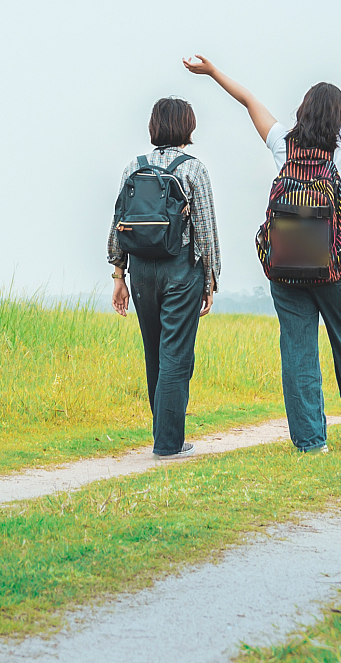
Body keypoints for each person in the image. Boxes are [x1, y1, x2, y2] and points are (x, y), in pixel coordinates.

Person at [184, 54, 341, 453]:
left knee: (297, 350)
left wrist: (213, 71)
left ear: (302, 111)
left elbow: (249, 101)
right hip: (335, 263)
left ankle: (309, 441)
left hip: (285, 260)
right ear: (339, 116)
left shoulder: (282, 143)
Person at [108, 97, 219, 459]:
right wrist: (210, 280)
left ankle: (164, 435)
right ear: (188, 126)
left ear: (154, 126)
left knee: (154, 354)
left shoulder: (132, 168)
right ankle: (168, 443)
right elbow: (206, 231)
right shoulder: (193, 169)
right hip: (180, 271)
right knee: (177, 357)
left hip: (140, 272)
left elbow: (118, 225)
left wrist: (118, 275)